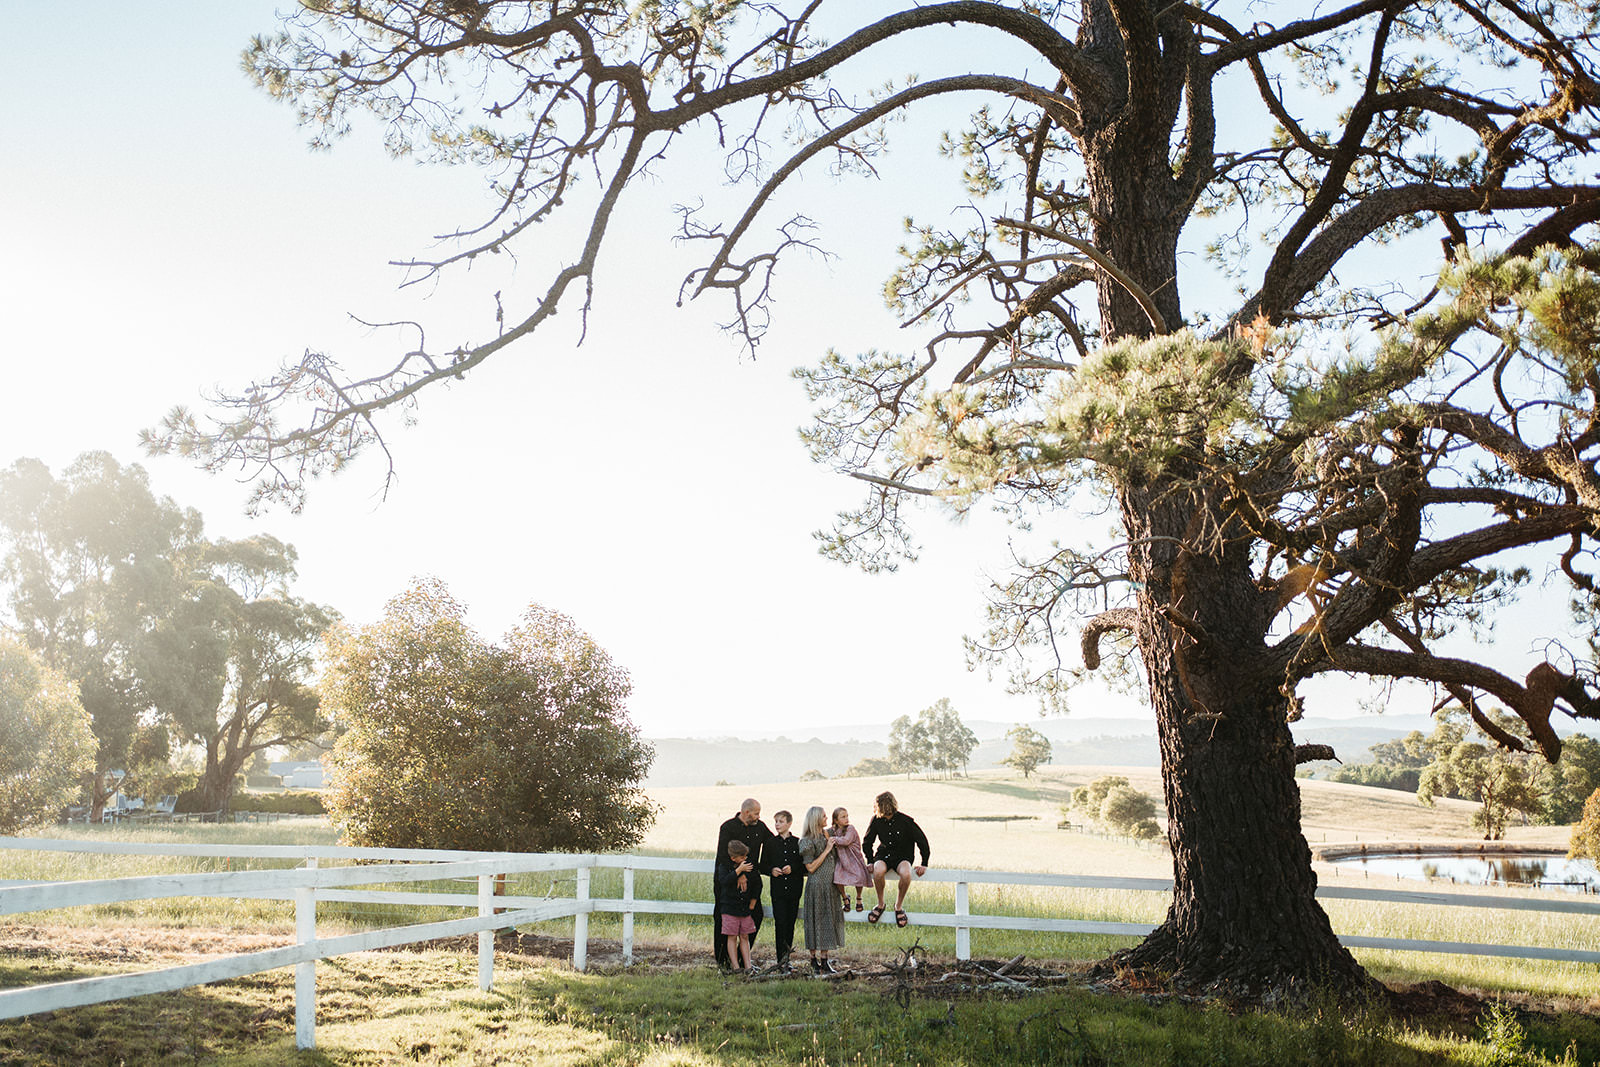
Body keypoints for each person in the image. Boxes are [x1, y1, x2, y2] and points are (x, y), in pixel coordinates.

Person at [713, 798, 774, 968]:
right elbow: (723, 856)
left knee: (755, 915)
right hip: (728, 881)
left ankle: (741, 959)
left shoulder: (760, 827)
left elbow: (771, 843)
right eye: (756, 813)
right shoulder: (728, 827)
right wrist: (738, 873)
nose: (758, 817)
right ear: (746, 812)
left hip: (751, 883)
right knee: (723, 919)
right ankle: (723, 961)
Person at [863, 790, 930, 928]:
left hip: (903, 855)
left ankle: (898, 906)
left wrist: (924, 863)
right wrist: (870, 860)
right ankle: (880, 904)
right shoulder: (876, 820)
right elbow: (867, 842)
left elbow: (922, 840)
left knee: (906, 873)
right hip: (884, 854)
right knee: (878, 870)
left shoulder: (906, 821)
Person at [799, 805, 845, 974]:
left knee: (828, 920)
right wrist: (826, 850)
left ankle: (825, 960)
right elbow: (810, 867)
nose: (827, 819)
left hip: (830, 885)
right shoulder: (807, 841)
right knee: (815, 921)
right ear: (816, 819)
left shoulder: (828, 834)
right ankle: (813, 960)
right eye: (824, 816)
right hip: (817, 885)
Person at [762, 809, 804, 973]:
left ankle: (787, 959)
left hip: (794, 890)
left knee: (790, 924)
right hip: (778, 891)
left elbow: (803, 866)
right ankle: (780, 960)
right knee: (780, 924)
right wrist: (771, 869)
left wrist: (792, 868)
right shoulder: (770, 843)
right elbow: (763, 864)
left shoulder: (798, 843)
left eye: (780, 821)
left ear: (789, 823)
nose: (777, 825)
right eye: (776, 822)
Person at [716, 839, 760, 972]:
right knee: (732, 936)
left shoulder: (748, 867)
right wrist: (738, 871)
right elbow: (724, 881)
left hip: (744, 908)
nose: (745, 859)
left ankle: (748, 965)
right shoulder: (724, 867)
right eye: (742, 857)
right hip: (729, 908)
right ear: (733, 858)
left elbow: (758, 883)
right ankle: (735, 967)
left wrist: (752, 903)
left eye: (746, 856)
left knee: (745, 935)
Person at [829, 806, 872, 913]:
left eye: (847, 816)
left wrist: (832, 839)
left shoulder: (850, 829)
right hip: (842, 859)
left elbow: (846, 841)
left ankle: (859, 898)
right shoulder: (834, 830)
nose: (846, 819)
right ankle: (845, 897)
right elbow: (825, 833)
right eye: (843, 817)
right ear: (836, 820)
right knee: (837, 877)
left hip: (853, 858)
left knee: (859, 876)